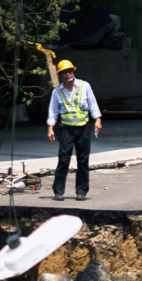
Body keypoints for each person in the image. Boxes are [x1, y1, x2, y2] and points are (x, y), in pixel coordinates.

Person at [46, 59, 102, 201]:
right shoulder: (57, 92)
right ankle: (58, 191)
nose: (68, 74)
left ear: (73, 71)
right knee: (63, 159)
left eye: (69, 71)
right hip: (66, 130)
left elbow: (92, 103)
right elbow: (53, 110)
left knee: (83, 160)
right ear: (60, 75)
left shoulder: (85, 86)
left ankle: (81, 191)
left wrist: (98, 119)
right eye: (64, 72)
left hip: (83, 128)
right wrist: (50, 128)